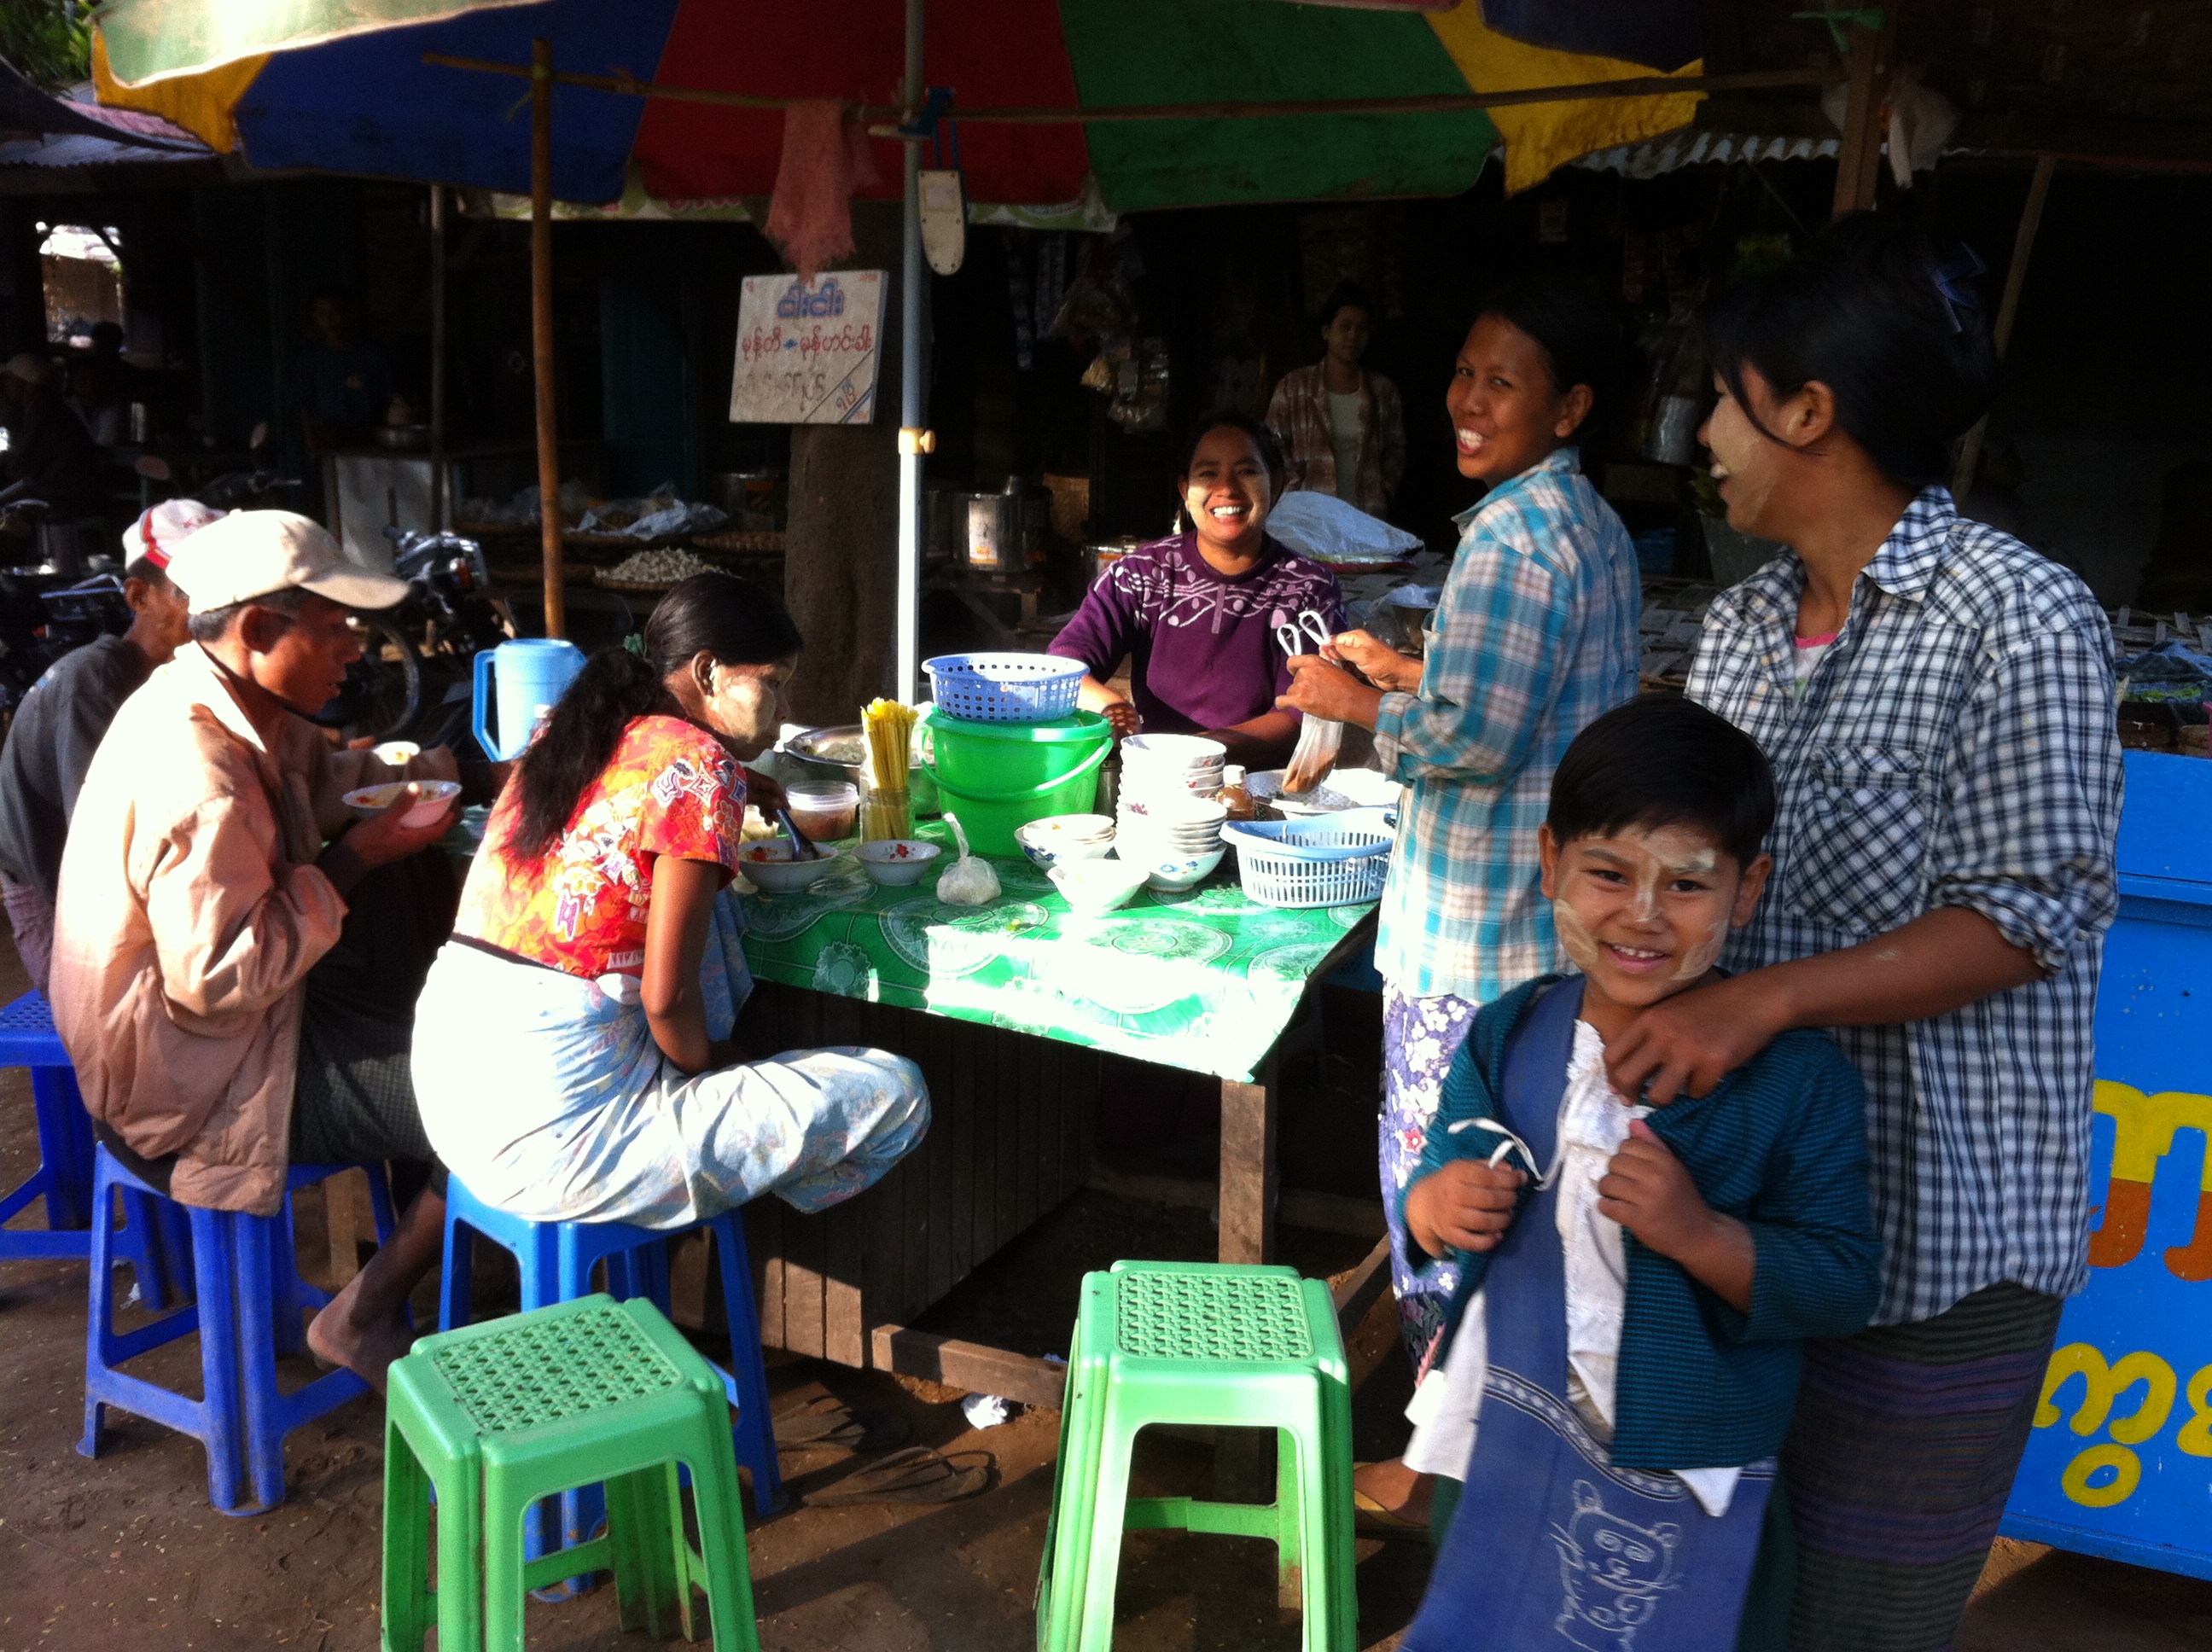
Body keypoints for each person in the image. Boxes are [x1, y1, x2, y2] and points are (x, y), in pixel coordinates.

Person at [1599, 216, 2122, 1652]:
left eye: (1724, 397)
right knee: (1716, 1601)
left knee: (1863, 1623)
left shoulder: (2018, 620)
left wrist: (1759, 1004)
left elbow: (2024, 915)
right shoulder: (1741, 629)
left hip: (1936, 1240)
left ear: (1807, 412)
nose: (1704, 435)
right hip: (1743, 1223)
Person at [1395, 696, 1881, 1652]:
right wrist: (1432, 1206)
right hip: (1500, 1451)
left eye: (1688, 885)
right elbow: (1440, 1174)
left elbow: (1840, 1283)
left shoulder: (1797, 1082)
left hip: (1688, 1487)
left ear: (1748, 890)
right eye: (1609, 873)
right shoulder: (1509, 1034)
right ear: (1550, 862)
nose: (1644, 915)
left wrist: (1701, 1236)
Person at [1277, 277, 1640, 1531]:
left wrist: (1354, 698)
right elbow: (1523, 694)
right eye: (1465, 373)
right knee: (1518, 1205)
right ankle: (1476, 1462)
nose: (1469, 400)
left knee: (1448, 1201)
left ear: (1569, 407)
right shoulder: (1585, 524)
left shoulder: (1514, 537)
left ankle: (1447, 1483)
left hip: (1473, 945)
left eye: (1503, 382)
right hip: (1542, 935)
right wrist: (1408, 668)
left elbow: (1474, 739)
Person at [49, 510, 465, 1387]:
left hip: (223, 1036)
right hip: (187, 1079)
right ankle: (362, 1313)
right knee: (494, 1105)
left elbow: (331, 780)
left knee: (431, 1011)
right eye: (334, 626)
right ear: (256, 630)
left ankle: (419, 1277)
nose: (354, 648)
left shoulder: (232, 703)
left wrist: (463, 774)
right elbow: (219, 977)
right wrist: (357, 857)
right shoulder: (201, 769)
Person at [411, 572, 928, 1231]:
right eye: (773, 682)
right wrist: (715, 1064)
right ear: (708, 671)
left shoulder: (573, 731)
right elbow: (667, 999)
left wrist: (732, 780)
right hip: (558, 1134)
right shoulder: (699, 767)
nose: (784, 705)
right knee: (898, 1092)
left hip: (450, 1093)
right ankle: (751, 1217)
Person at [0, 500, 224, 991]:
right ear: (139, 596)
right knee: (117, 1010)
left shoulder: (185, 674)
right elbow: (96, 841)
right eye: (190, 592)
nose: (212, 608)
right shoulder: (94, 681)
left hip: (110, 875)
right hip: (53, 884)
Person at [1047, 410, 1347, 770]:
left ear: (1278, 484)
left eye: (1247, 471)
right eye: (1208, 474)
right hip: (1153, 775)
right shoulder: (1143, 573)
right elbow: (1063, 665)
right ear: (1185, 490)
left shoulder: (1309, 588)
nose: (1227, 489)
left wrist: (1195, 751)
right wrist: (1113, 707)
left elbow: (1304, 712)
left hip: (1257, 784)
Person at [1266, 282, 1406, 519]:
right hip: (1309, 514)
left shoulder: (1383, 392)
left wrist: (1381, 489)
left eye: (1361, 329)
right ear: (1326, 332)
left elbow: (1396, 448)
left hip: (1365, 514)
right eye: (1345, 327)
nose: (1353, 336)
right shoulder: (1294, 387)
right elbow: (1271, 443)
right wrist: (1294, 486)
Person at [0, 352, 105, 519]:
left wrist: (5, 457)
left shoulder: (44, 413)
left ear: (22, 383)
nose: (6, 385)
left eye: (9, 379)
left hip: (63, 496)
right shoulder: (44, 407)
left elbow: (18, 467)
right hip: (63, 490)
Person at [289, 288, 393, 452]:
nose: (329, 320)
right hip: (326, 439)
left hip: (366, 438)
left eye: (335, 311)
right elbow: (304, 406)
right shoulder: (311, 359)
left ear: (349, 313)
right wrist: (312, 446)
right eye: (322, 314)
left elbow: (387, 402)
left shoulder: (372, 357)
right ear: (315, 317)